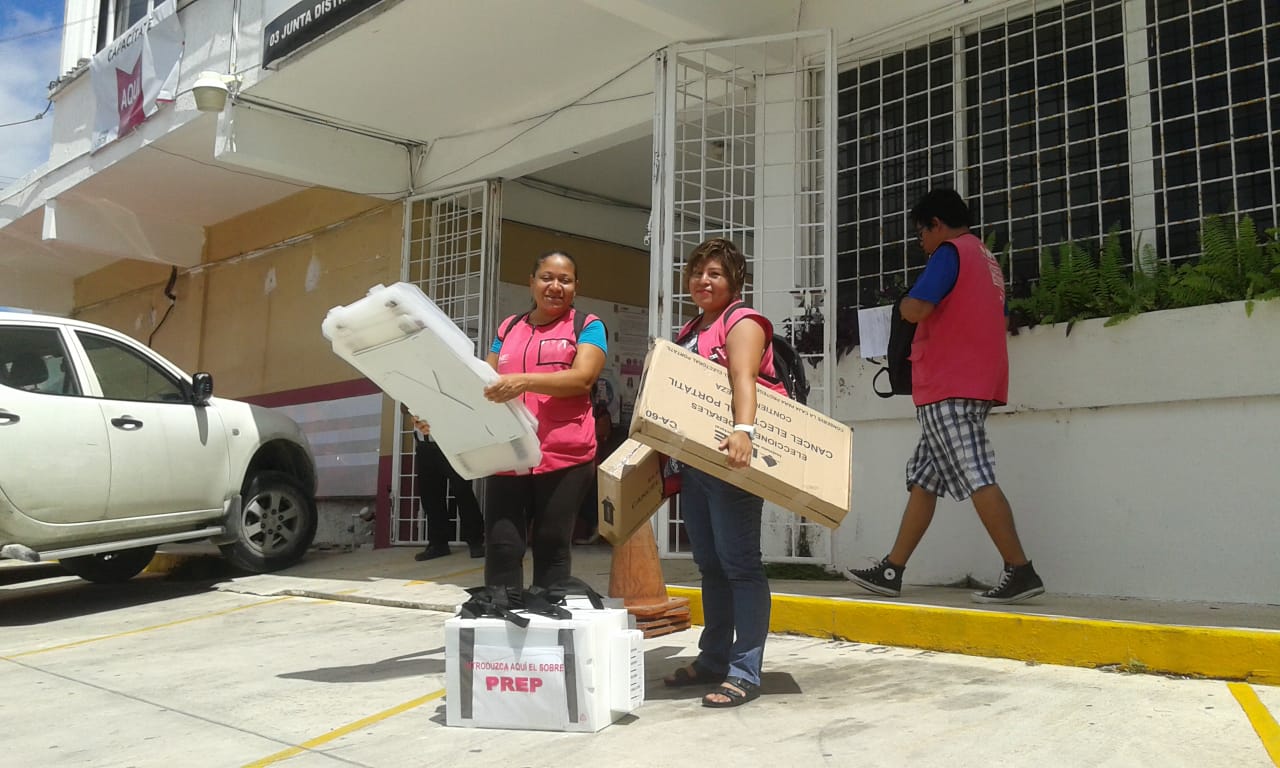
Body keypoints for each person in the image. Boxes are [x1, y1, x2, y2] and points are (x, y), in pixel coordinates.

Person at [846, 189, 1045, 604]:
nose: (921, 242)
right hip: (976, 382)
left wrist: (901, 305)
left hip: (948, 385)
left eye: (921, 232)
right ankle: (891, 570)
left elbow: (919, 308)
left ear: (937, 224)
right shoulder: (986, 259)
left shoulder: (949, 253)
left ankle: (1020, 569)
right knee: (924, 479)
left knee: (976, 474)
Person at [660, 237, 786, 709]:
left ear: (735, 281)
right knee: (710, 566)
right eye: (697, 272)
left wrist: (743, 431)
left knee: (741, 566)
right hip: (697, 465)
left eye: (714, 273)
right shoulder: (692, 328)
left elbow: (743, 380)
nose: (703, 280)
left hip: (733, 461)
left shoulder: (742, 322)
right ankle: (713, 658)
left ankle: (744, 671)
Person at [482, 250, 607, 589]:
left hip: (564, 456)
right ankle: (502, 612)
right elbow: (484, 382)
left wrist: (523, 381)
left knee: (551, 544)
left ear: (576, 287)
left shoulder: (588, 326)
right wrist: (438, 415)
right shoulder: (508, 327)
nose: (555, 286)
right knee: (502, 545)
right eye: (547, 278)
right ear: (532, 282)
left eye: (565, 280)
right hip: (509, 453)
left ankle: (548, 614)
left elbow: (583, 378)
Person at [408, 416, 485, 561]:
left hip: (452, 444)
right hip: (425, 446)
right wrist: (412, 408)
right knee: (431, 497)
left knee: (463, 492)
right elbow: (403, 407)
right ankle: (438, 544)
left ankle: (475, 542)